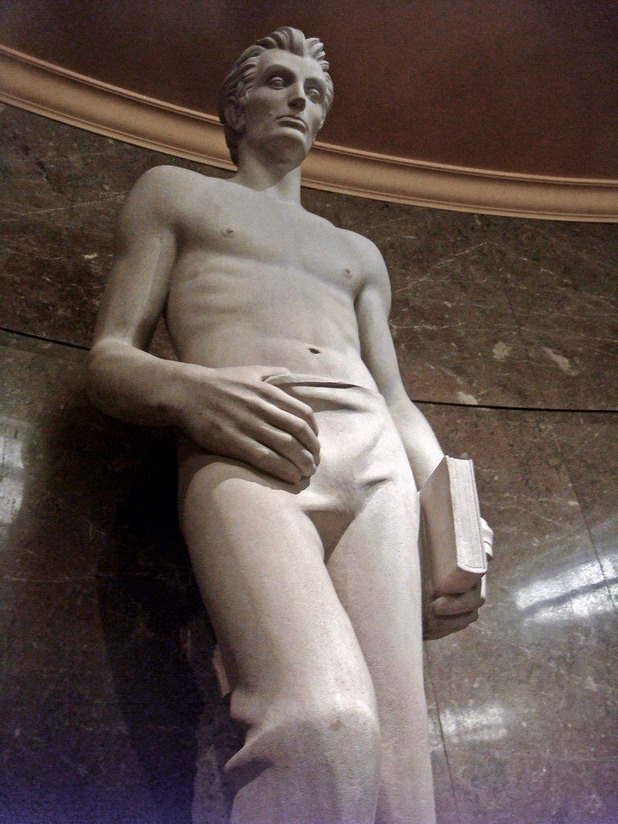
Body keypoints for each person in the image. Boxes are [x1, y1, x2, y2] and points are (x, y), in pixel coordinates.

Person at [87, 26, 487, 824]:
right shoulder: (175, 194)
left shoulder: (356, 252)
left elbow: (397, 398)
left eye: (316, 93)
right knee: (322, 723)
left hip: (375, 463)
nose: (300, 98)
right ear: (236, 108)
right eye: (278, 81)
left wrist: (458, 519)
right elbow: (108, 358)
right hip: (248, 447)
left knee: (402, 777)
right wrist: (190, 391)